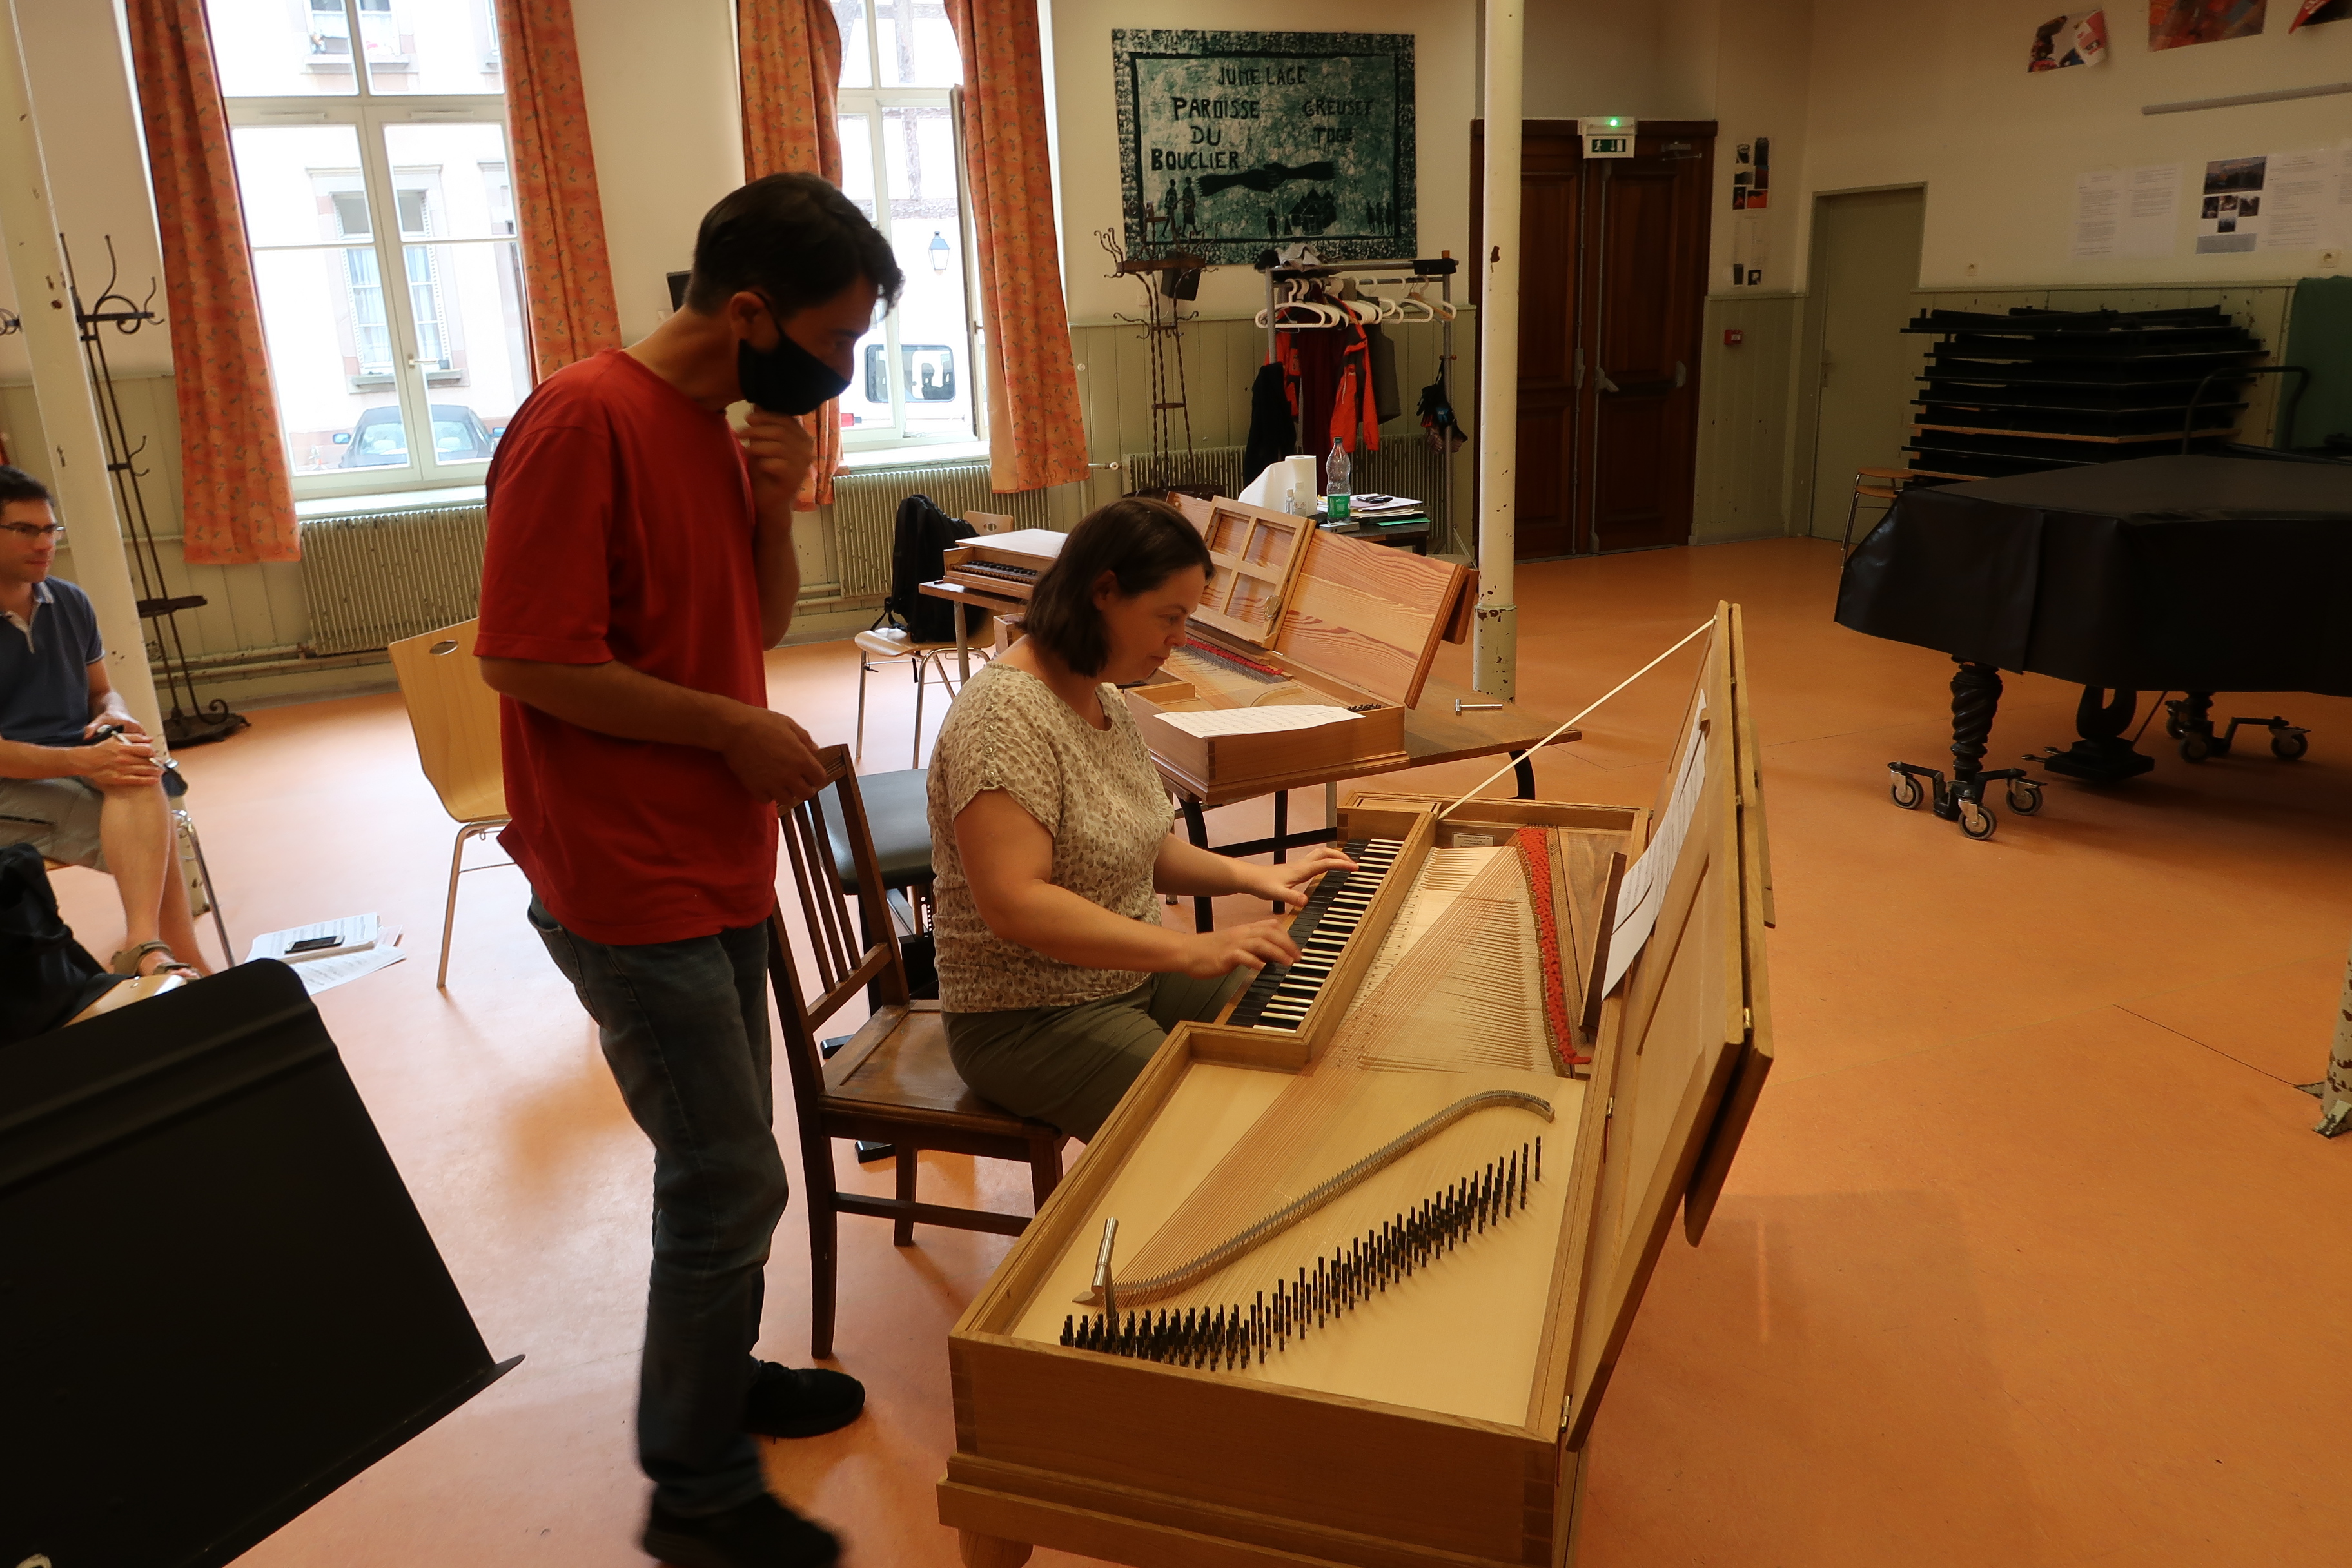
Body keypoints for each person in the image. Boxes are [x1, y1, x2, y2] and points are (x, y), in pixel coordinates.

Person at [475, 173, 901, 1568]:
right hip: (622, 868)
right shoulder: (582, 421)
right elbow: (523, 658)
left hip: (711, 850)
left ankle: (722, 1379)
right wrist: (726, 729)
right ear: (750, 313)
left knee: (727, 1159)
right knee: (725, 1176)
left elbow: (756, 623)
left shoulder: (718, 433)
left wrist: (774, 506)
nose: (841, 371)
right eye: (834, 342)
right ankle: (696, 1490)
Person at [928, 498, 1356, 1139]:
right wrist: (1189, 948)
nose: (1180, 638)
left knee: (1297, 1010)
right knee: (1215, 1128)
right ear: (1104, 592)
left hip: (1127, 977)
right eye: (1169, 617)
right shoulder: (1002, 717)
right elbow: (1015, 903)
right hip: (1029, 1013)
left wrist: (1256, 877)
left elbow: (1141, 841)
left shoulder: (1102, 694)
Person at [0, 464, 208, 981]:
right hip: (11, 780)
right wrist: (87, 761)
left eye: (50, 529)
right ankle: (163, 953)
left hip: (73, 759)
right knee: (143, 827)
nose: (45, 543)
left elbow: (100, 691)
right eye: (25, 530)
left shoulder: (69, 601)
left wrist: (115, 713)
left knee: (140, 777)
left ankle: (151, 947)